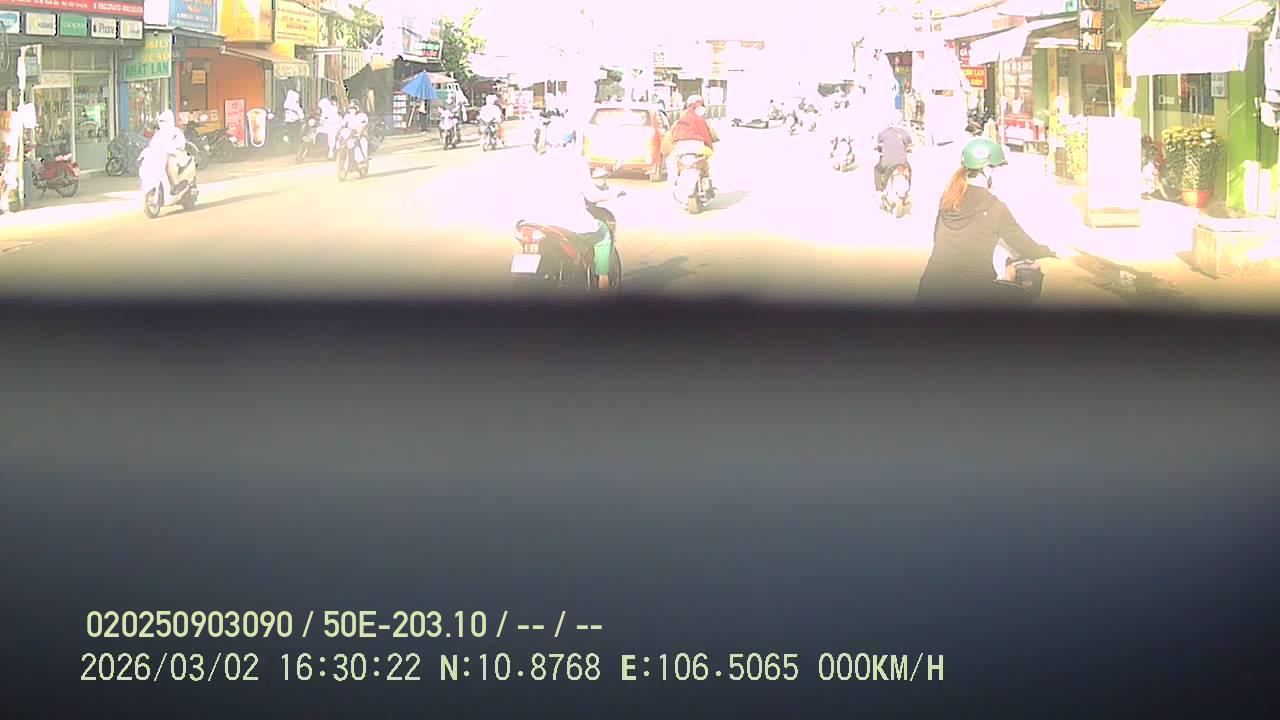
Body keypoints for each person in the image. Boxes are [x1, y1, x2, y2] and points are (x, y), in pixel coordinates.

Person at [915, 138, 1057, 305]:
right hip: (974, 294)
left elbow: (937, 237)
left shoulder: (948, 200)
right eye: (999, 168)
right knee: (1027, 277)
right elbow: (1021, 243)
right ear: (987, 170)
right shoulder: (995, 208)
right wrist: (1043, 251)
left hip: (929, 291)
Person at [525, 135, 625, 290]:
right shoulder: (576, 162)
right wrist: (614, 193)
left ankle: (578, 258)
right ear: (572, 142)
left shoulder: (538, 161)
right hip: (570, 223)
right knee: (604, 235)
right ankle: (603, 281)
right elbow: (592, 196)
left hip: (539, 222)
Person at [668, 95, 718, 191]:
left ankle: (674, 183)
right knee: (711, 158)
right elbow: (707, 136)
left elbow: (673, 136)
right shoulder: (700, 119)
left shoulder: (681, 119)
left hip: (681, 149)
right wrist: (710, 148)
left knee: (671, 161)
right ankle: (707, 180)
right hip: (698, 147)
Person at [147, 110, 192, 187]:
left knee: (170, 164)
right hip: (160, 156)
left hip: (175, 156)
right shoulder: (158, 134)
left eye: (164, 121)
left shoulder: (176, 132)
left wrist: (170, 149)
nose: (162, 123)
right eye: (161, 121)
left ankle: (176, 184)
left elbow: (180, 144)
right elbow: (152, 145)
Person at [874, 121, 914, 192]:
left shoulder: (883, 132)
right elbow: (910, 142)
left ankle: (879, 190)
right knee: (909, 169)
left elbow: (879, 142)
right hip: (902, 162)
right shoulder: (904, 132)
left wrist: (879, 148)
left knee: (877, 169)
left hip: (887, 162)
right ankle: (909, 188)